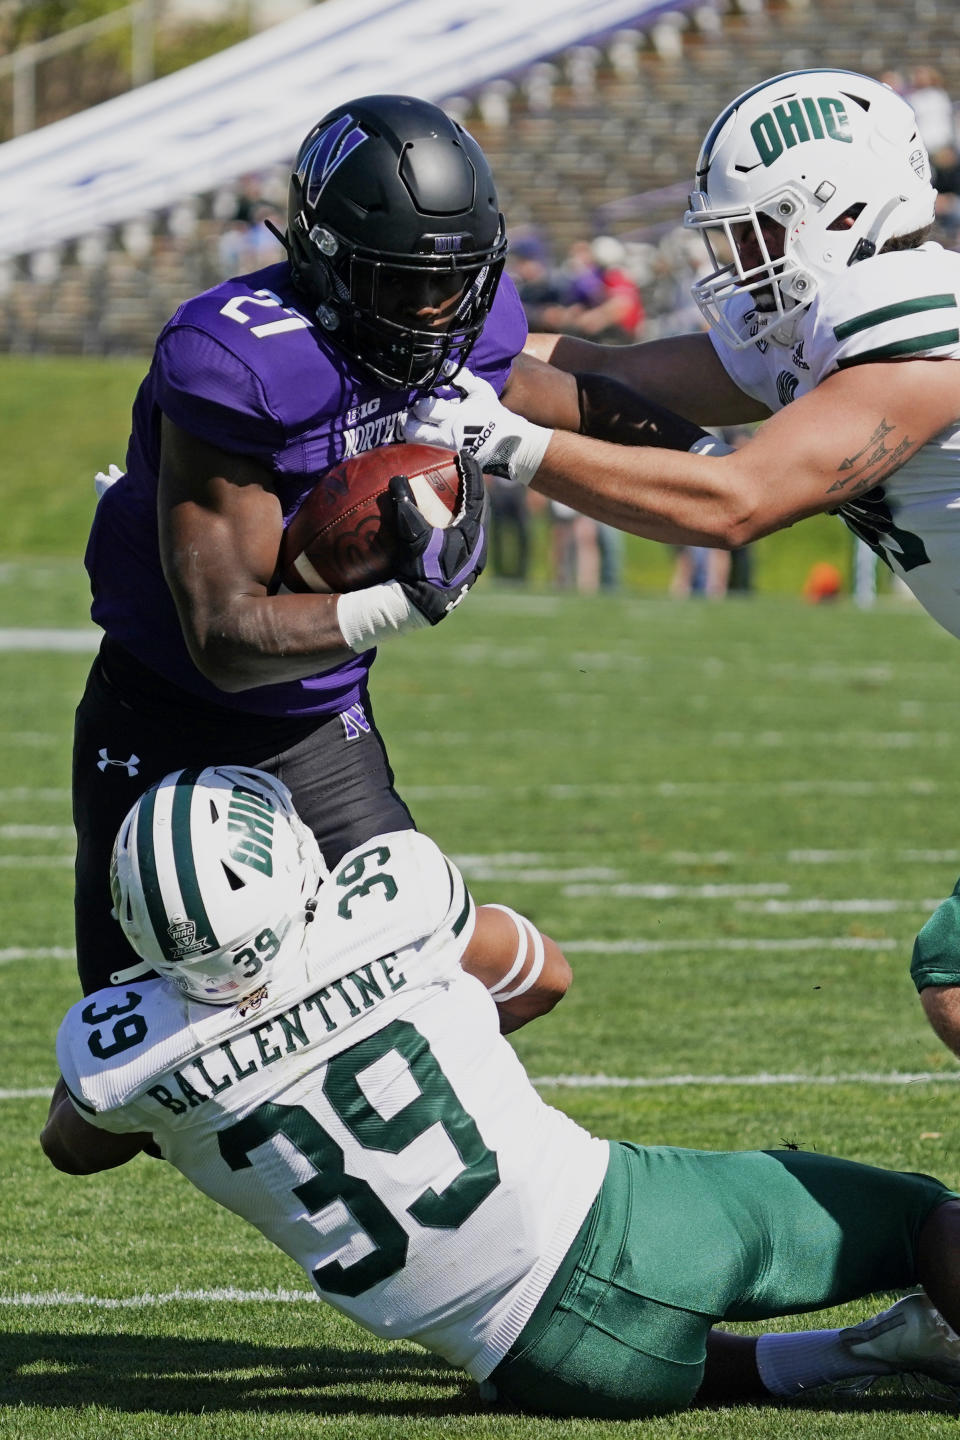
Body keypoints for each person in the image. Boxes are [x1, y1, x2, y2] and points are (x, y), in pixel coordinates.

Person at [42, 766, 960, 1418]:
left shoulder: (119, 1057)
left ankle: (871, 1348)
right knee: (921, 1221)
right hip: (630, 1235)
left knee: (637, 1349)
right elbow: (543, 975)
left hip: (536, 1365)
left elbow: (71, 1146)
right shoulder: (391, 903)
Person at [398, 68, 960, 1052]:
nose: (737, 260)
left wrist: (499, 444)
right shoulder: (830, 321)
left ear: (837, 213)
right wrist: (424, 342)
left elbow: (736, 503)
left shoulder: (913, 319)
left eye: (756, 232)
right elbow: (605, 378)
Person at [73, 92, 515, 997]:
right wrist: (407, 598)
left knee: (429, 988)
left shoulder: (466, 327)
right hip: (162, 718)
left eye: (451, 280)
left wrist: (722, 429)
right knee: (138, 1081)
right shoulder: (238, 361)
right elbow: (225, 638)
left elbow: (574, 377)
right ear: (325, 260)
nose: (434, 310)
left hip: (317, 730)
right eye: (400, 280)